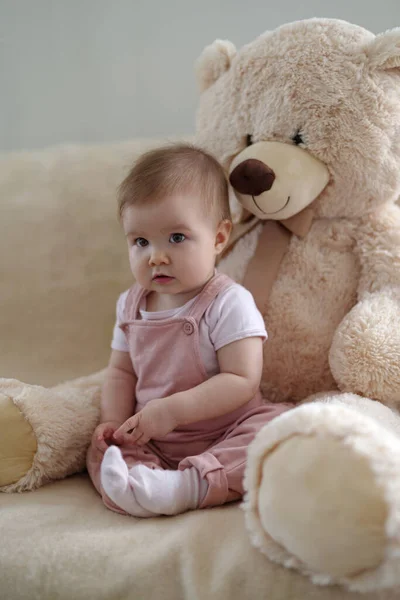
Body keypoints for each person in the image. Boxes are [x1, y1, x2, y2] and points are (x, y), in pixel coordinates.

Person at [86, 143, 292, 517]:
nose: (156, 256)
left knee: (275, 432)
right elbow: (121, 371)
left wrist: (175, 410)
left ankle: (187, 485)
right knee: (103, 450)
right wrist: (113, 422)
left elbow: (242, 379)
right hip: (152, 435)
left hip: (226, 431)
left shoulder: (228, 302)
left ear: (218, 238)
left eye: (176, 238)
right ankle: (136, 483)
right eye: (140, 242)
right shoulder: (130, 304)